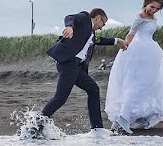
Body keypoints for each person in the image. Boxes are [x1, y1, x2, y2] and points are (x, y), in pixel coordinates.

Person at [105, 0, 163, 133]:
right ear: (147, 3)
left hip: (150, 53)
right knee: (136, 85)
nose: (154, 10)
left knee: (151, 84)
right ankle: (123, 118)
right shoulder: (140, 17)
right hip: (139, 53)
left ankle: (131, 118)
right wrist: (125, 47)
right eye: (152, 7)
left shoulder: (151, 17)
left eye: (157, 9)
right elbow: (131, 34)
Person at [34, 8, 127, 136]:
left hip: (75, 67)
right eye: (103, 23)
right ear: (98, 17)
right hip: (68, 63)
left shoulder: (91, 33)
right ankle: (35, 125)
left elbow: (99, 40)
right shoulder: (84, 18)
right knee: (60, 98)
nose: (101, 27)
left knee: (93, 89)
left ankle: (97, 129)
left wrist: (117, 41)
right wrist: (70, 27)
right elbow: (70, 17)